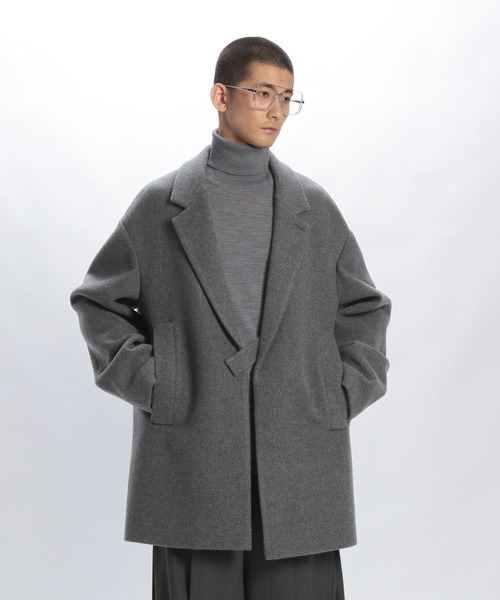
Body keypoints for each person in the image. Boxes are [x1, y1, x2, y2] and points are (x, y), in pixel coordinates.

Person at [70, 36, 392, 600]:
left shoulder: (314, 207)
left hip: (300, 458)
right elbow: (99, 302)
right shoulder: (160, 204)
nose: (276, 110)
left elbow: (365, 308)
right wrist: (158, 385)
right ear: (221, 96)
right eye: (262, 92)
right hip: (194, 458)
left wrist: (339, 392)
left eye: (287, 97)